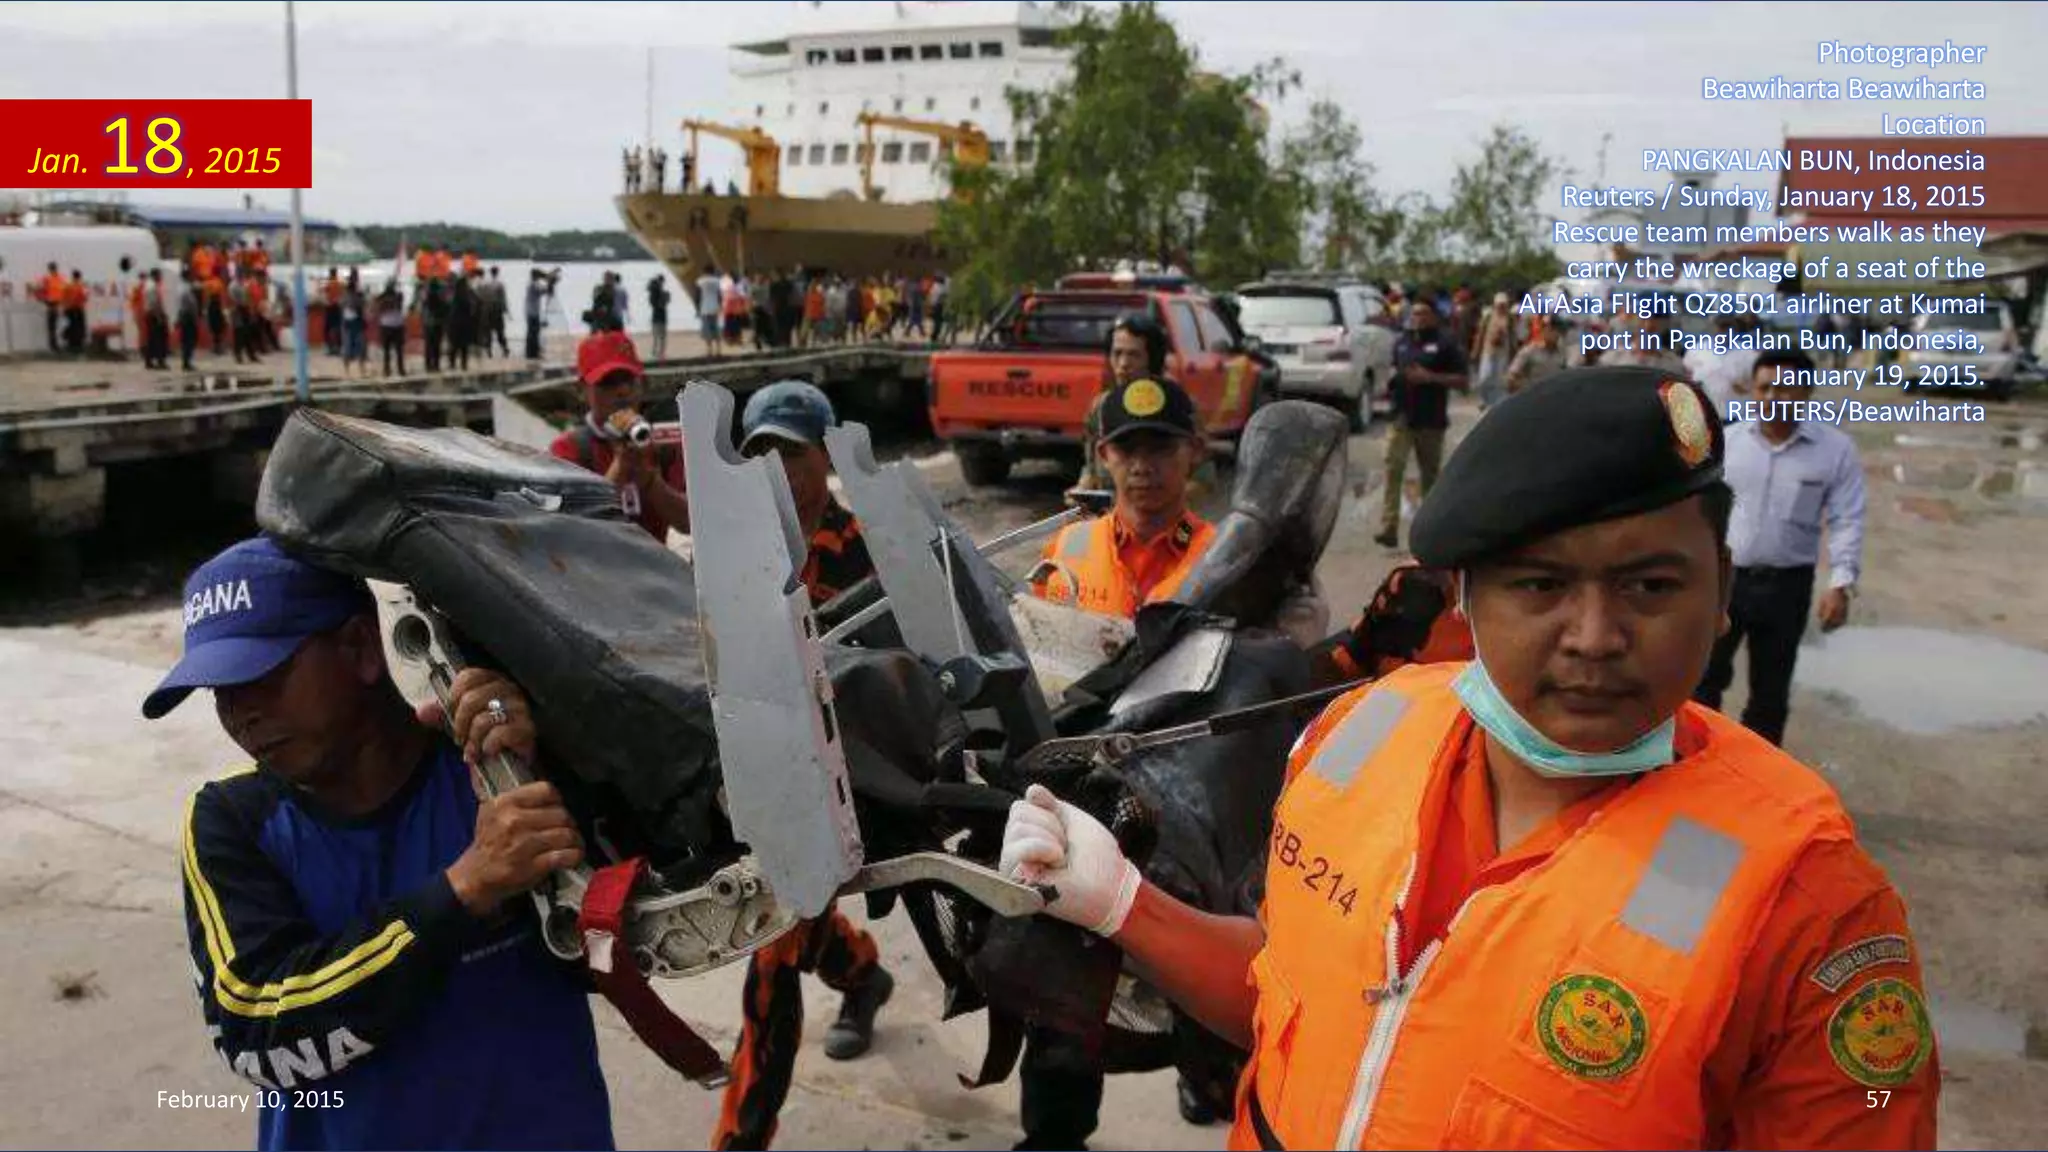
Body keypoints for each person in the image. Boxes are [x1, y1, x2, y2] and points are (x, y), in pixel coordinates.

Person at [1001, 366, 1937, 1151]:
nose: (1596, 637)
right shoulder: (1355, 739)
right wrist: (1122, 902)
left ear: (1722, 590)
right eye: (1540, 586)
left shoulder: (1806, 909)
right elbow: (1293, 992)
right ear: (1464, 598)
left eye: (1651, 584)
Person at [149, 537, 615, 1151]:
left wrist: (554, 766)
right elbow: (254, 1030)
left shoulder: (495, 773)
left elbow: (616, 951)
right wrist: (463, 892)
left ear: (361, 648)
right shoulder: (232, 821)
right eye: (219, 692)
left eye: (260, 675)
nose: (240, 714)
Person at [709, 381, 899, 1151]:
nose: (778, 469)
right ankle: (861, 973)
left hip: (845, 779)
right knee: (789, 925)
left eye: (792, 451)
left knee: (772, 961)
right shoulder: (737, 551)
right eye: (761, 454)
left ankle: (740, 1140)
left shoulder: (868, 551)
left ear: (826, 453)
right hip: (760, 770)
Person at [1693, 349, 1866, 746]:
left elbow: (1846, 519)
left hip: (1787, 587)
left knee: (1770, 695)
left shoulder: (1834, 451)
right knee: (1702, 683)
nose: (1774, 397)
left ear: (1807, 391)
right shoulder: (1728, 444)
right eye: (1765, 387)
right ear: (1752, 391)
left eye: (1786, 388)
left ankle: (1760, 790)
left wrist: (1840, 583)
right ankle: (1693, 776)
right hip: (1723, 582)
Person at [548, 331, 690, 542]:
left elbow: (688, 522)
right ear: (582, 389)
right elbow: (575, 530)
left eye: (629, 381)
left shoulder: (664, 446)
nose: (623, 391)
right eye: (608, 382)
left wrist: (651, 481)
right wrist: (620, 467)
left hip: (655, 570)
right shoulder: (567, 450)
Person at [1375, 297, 1467, 549]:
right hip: (1401, 416)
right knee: (1393, 468)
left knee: (1430, 477)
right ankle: (1388, 527)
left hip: (1430, 420)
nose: (1418, 318)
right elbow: (1395, 368)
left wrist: (1430, 378)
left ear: (1434, 317)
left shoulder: (1445, 344)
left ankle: (1429, 531)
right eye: (1415, 314)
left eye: (1424, 314)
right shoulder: (1402, 342)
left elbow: (1462, 381)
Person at [1469, 291, 1518, 410]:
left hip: (1503, 351)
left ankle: (1499, 400)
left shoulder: (1510, 317)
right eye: (1499, 305)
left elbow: (1512, 335)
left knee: (1500, 377)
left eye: (1503, 305)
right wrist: (1475, 350)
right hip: (1488, 350)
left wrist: (1514, 351)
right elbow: (1480, 334)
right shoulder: (1488, 316)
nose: (1501, 307)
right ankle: (1483, 398)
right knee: (1485, 376)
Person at [1504, 319, 1568, 396]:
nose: (1556, 334)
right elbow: (1510, 378)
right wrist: (1527, 388)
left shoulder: (1561, 353)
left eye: (1559, 331)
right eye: (1552, 330)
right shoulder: (1530, 351)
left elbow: (1564, 375)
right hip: (1533, 397)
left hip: (1553, 396)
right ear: (1545, 330)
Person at [447, 272, 478, 372]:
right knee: (463, 346)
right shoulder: (465, 295)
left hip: (455, 323)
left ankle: (452, 363)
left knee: (455, 345)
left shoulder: (455, 295)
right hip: (463, 324)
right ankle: (463, 364)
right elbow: (471, 306)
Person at [376, 281, 407, 377]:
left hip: (394, 326)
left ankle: (399, 369)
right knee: (388, 351)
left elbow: (398, 303)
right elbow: (379, 307)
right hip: (389, 326)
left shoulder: (398, 297)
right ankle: (388, 370)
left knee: (397, 350)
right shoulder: (382, 298)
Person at [341, 272, 368, 378]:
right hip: (354, 324)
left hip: (351, 324)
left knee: (350, 348)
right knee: (357, 348)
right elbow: (360, 306)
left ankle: (350, 371)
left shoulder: (346, 297)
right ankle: (358, 371)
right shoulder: (356, 297)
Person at [175, 269, 202, 372]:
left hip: (184, 314)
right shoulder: (186, 288)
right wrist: (195, 315)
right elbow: (191, 304)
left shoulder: (181, 287)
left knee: (186, 340)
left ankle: (186, 361)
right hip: (188, 316)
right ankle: (186, 362)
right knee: (189, 339)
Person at [525, 268, 553, 361]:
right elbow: (544, 291)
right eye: (538, 276)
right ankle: (533, 354)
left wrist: (547, 279)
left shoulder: (532, 283)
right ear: (535, 276)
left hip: (531, 311)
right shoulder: (533, 284)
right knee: (534, 333)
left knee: (532, 333)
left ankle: (531, 353)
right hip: (533, 312)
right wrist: (549, 281)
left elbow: (544, 290)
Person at [61, 268, 89, 355]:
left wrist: (64, 309)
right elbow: (84, 298)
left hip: (69, 310)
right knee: (79, 327)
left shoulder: (67, 286)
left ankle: (70, 345)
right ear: (79, 277)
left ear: (72, 276)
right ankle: (78, 345)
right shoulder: (81, 287)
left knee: (71, 327)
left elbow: (63, 298)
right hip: (78, 309)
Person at [696, 268, 724, 356]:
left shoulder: (700, 281)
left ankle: (709, 350)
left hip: (705, 308)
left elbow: (697, 296)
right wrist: (720, 306)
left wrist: (697, 309)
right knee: (716, 328)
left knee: (707, 330)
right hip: (715, 308)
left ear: (704, 272)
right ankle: (719, 349)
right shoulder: (718, 281)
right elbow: (720, 295)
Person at [647, 274, 671, 361]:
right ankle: (661, 353)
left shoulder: (652, 293)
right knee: (662, 336)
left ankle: (655, 352)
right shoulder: (661, 293)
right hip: (661, 316)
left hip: (655, 316)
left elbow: (654, 304)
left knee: (656, 336)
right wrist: (666, 297)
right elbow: (662, 304)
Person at [322, 268, 345, 357]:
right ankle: (339, 348)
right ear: (336, 273)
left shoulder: (329, 283)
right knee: (338, 328)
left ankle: (330, 348)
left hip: (330, 307)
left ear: (330, 273)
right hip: (338, 307)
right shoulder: (340, 284)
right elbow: (342, 294)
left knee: (327, 329)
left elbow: (324, 292)